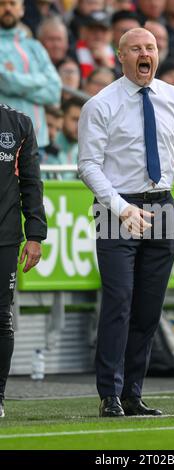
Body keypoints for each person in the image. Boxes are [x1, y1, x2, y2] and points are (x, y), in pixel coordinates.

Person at [78, 27, 174, 417]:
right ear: (121, 56)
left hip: (163, 205)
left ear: (157, 53)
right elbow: (87, 166)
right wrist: (120, 207)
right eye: (136, 49)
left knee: (149, 308)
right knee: (118, 302)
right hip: (120, 208)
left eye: (150, 47)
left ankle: (133, 392)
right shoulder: (100, 104)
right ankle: (109, 395)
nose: (144, 53)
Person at [0, 103, 47, 418]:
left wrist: (35, 235)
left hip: (4, 237)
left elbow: (31, 182)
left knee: (1, 318)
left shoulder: (18, 123)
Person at [0, 0, 61, 148]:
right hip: (4, 141)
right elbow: (4, 81)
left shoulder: (35, 47)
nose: (7, 8)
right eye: (2, 4)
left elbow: (54, 91)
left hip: (37, 141)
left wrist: (15, 87)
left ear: (22, 9)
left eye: (12, 3)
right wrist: (40, 80)